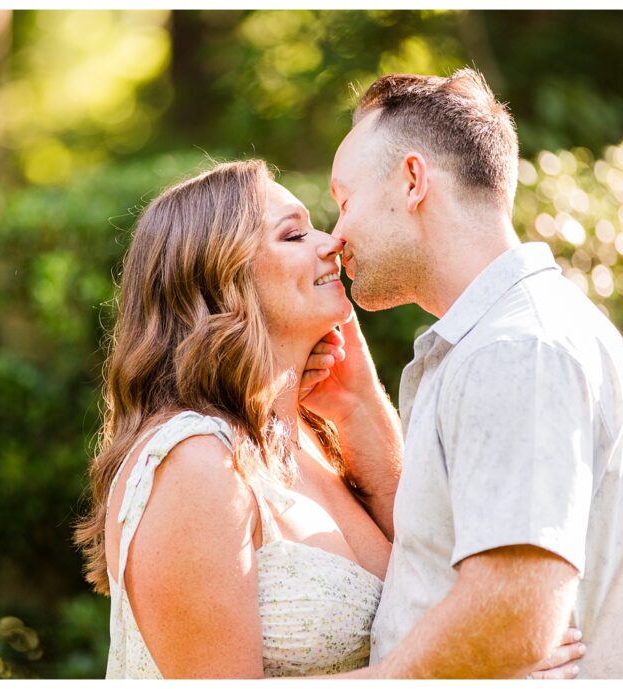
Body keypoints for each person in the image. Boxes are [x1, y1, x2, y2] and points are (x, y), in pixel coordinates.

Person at [74, 159, 585, 678]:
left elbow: (435, 568)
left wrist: (362, 406)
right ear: (220, 280)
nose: (331, 243)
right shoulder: (193, 463)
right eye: (294, 234)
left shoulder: (310, 441)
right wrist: (457, 674)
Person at [305, 68, 623, 678]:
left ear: (413, 180)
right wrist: (361, 406)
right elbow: (449, 553)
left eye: (345, 202)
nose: (335, 236)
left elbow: (517, 612)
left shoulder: (519, 350)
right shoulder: (505, 338)